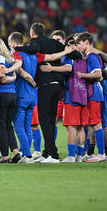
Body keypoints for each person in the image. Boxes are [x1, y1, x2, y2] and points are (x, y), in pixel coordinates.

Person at [14, 22, 76, 162]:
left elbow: (34, 48)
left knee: (45, 121)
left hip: (45, 86)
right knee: (50, 120)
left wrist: (17, 48)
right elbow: (53, 57)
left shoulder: (34, 48)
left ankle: (51, 155)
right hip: (57, 87)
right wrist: (70, 52)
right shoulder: (49, 47)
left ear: (31, 33)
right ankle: (49, 152)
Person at [40, 35, 86, 163]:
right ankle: (79, 156)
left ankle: (71, 156)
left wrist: (51, 68)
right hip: (82, 92)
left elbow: (68, 68)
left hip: (71, 93)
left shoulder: (68, 56)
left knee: (70, 126)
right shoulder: (82, 57)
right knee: (80, 126)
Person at [75, 32, 106, 162]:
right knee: (91, 124)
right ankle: (90, 152)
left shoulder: (92, 57)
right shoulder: (88, 57)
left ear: (86, 42)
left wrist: (83, 75)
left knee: (96, 123)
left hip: (94, 93)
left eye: (79, 43)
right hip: (90, 93)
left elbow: (99, 74)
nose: (77, 46)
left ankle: (102, 154)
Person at [0, 38, 20, 163]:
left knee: (0, 125)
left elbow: (1, 77)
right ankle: (15, 152)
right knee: (8, 125)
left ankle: (5, 155)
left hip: (3, 94)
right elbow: (19, 62)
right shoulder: (9, 59)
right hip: (13, 95)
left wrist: (10, 78)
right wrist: (13, 76)